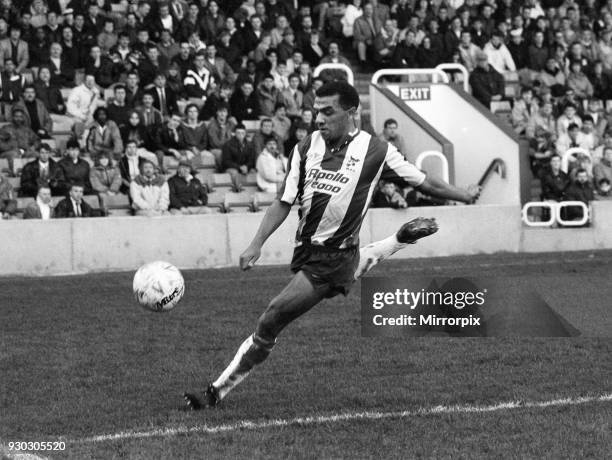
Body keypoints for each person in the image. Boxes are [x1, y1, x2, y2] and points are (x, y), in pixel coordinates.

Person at [183, 81, 480, 409]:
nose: (318, 118)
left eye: (328, 111)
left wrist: (463, 194)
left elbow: (423, 180)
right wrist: (257, 243)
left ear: (352, 113)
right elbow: (284, 200)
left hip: (332, 258)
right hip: (309, 249)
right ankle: (396, 241)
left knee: (272, 317)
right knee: (340, 273)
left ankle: (215, 392)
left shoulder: (377, 151)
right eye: (316, 111)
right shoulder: (306, 146)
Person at [0, 107, 40, 173]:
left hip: (25, 152)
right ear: (12, 117)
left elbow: (37, 140)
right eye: (16, 116)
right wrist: (10, 148)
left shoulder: (27, 130)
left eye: (20, 117)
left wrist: (33, 147)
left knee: (36, 154)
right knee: (14, 154)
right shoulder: (6, 128)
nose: (18, 119)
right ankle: (14, 174)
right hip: (9, 152)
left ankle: (34, 176)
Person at [221, 123, 256, 191]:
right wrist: (239, 167)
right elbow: (226, 161)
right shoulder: (228, 144)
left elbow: (251, 160)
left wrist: (246, 166)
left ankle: (253, 192)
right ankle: (238, 190)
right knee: (234, 173)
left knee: (254, 172)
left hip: (245, 167)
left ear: (245, 133)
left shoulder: (250, 145)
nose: (240, 135)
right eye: (238, 133)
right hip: (231, 168)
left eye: (242, 133)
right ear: (234, 133)